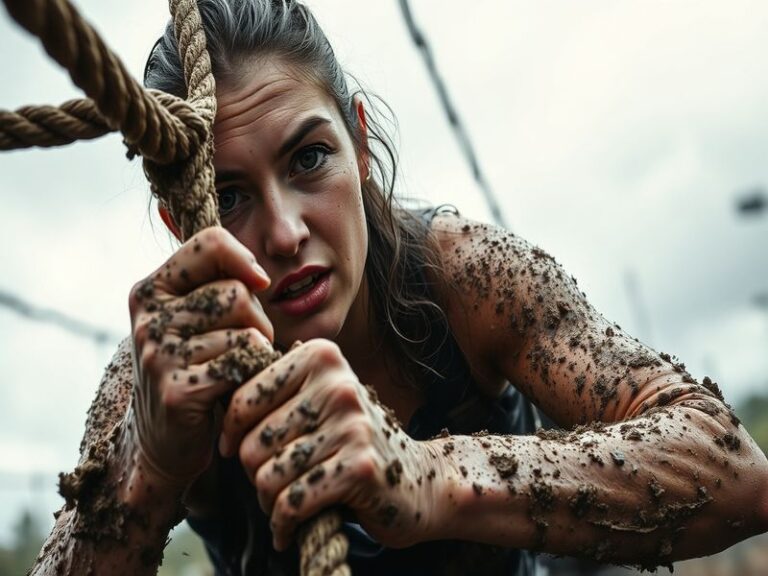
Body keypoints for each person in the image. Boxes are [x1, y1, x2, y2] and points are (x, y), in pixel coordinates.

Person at [29, 1, 768, 575]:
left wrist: (432, 475)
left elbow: (733, 470)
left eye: (309, 158)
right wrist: (149, 468)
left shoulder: (465, 278)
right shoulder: (162, 378)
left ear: (358, 141)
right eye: (228, 199)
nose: (284, 233)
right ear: (180, 221)